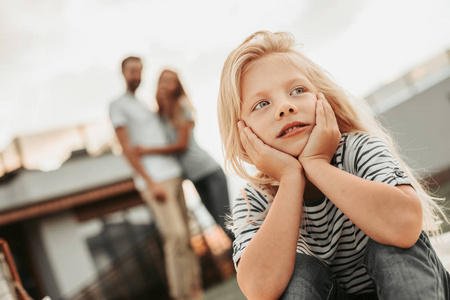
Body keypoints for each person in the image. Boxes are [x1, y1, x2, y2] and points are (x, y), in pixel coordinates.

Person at [216, 31, 450, 300]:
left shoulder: (359, 149)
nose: (285, 107)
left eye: (298, 90)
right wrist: (291, 177)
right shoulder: (253, 198)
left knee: (390, 248)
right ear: (243, 135)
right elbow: (259, 289)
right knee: (299, 272)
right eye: (262, 104)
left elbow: (405, 226)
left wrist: (316, 165)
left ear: (323, 100)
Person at [109, 57, 202, 300]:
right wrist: (149, 182)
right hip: (155, 181)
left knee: (188, 236)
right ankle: (180, 295)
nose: (136, 75)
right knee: (176, 236)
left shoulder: (143, 105)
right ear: (123, 73)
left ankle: (195, 291)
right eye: (131, 70)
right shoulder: (118, 105)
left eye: (139, 71)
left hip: (173, 174)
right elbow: (126, 147)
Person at [135, 69, 232, 240]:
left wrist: (147, 150)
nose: (166, 85)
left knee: (227, 222)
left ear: (177, 86)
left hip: (209, 171)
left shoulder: (182, 105)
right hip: (195, 178)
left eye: (171, 81)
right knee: (218, 224)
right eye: (163, 80)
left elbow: (181, 145)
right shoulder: (160, 115)